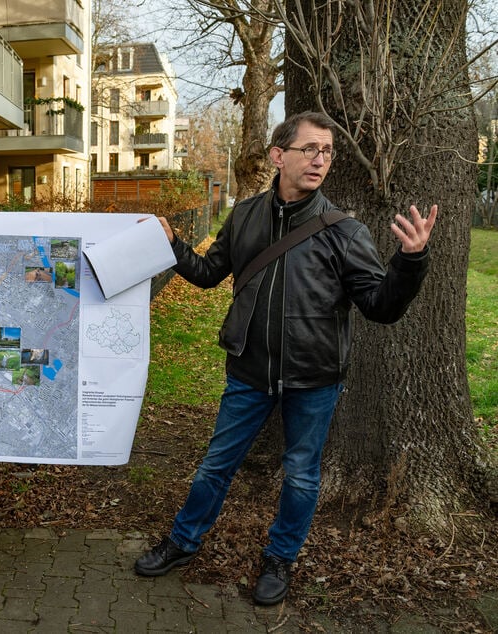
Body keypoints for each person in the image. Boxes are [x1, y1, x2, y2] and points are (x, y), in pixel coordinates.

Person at [135, 111, 438, 606]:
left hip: (314, 379)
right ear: (279, 156)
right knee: (216, 466)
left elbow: (381, 307)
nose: (320, 160)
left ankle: (280, 558)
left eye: (327, 152)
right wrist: (173, 245)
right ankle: (182, 542)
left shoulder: (345, 232)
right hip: (249, 373)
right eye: (310, 149)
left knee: (300, 475)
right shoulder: (246, 214)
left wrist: (411, 262)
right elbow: (211, 273)